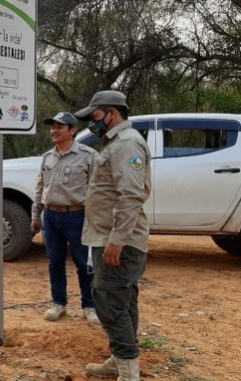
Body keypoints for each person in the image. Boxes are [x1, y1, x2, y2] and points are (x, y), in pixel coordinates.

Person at [74, 91, 151, 381]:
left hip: (119, 242)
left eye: (94, 117)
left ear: (112, 113)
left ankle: (128, 373)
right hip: (113, 238)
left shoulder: (126, 144)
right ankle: (121, 361)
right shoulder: (115, 143)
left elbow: (131, 195)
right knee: (123, 302)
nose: (91, 125)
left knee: (108, 301)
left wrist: (116, 241)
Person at [31, 112, 100, 325]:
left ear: (73, 130)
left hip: (77, 216)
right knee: (55, 262)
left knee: (83, 263)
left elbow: (97, 190)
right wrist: (36, 215)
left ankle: (89, 306)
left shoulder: (89, 156)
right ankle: (58, 303)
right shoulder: (47, 157)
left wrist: (96, 220)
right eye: (52, 127)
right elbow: (40, 187)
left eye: (60, 127)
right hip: (51, 216)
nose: (54, 130)